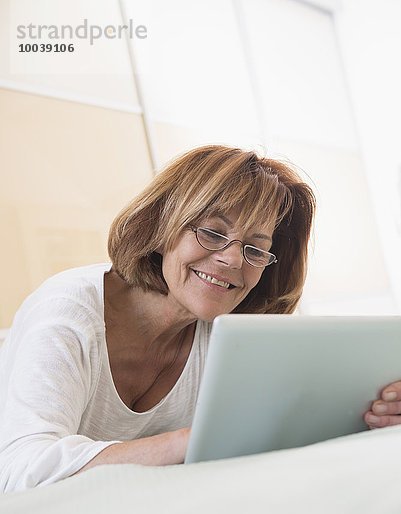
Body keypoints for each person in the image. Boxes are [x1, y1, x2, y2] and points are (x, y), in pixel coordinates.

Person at [0, 145, 397, 494]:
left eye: (255, 250)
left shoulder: (228, 334)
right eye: (211, 232)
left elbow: (284, 426)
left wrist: (372, 415)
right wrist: (194, 441)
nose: (232, 260)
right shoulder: (68, 311)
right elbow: (19, 472)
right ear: (161, 225)